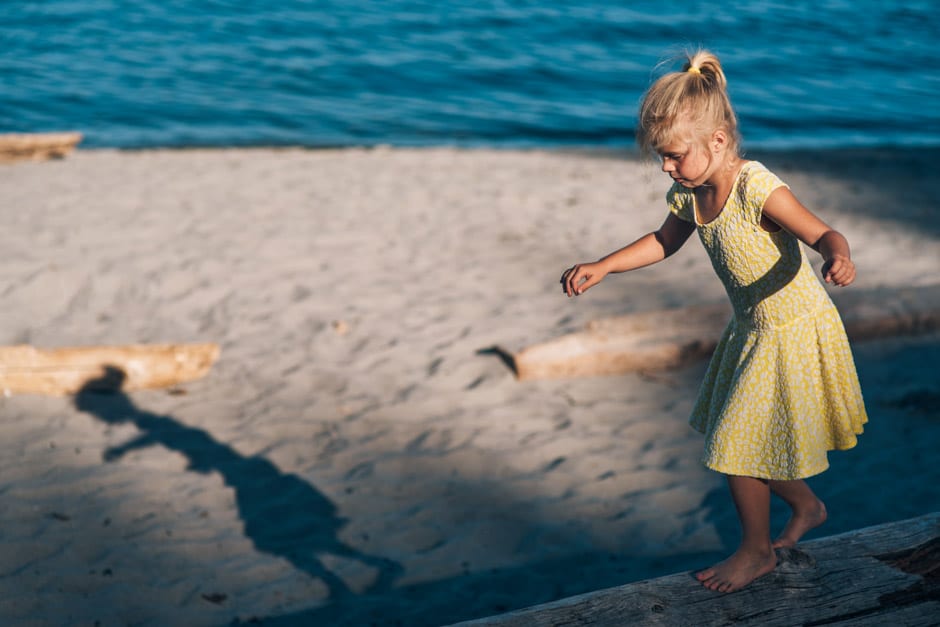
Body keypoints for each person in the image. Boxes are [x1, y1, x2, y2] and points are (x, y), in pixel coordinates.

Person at [560, 50, 867, 593]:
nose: (666, 167)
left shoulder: (755, 186)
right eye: (662, 157)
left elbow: (823, 233)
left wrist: (837, 257)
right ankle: (807, 506)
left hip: (792, 327)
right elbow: (663, 241)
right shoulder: (690, 190)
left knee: (735, 445)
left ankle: (755, 552)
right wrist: (604, 264)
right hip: (751, 327)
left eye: (674, 156)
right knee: (747, 437)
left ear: (718, 142)